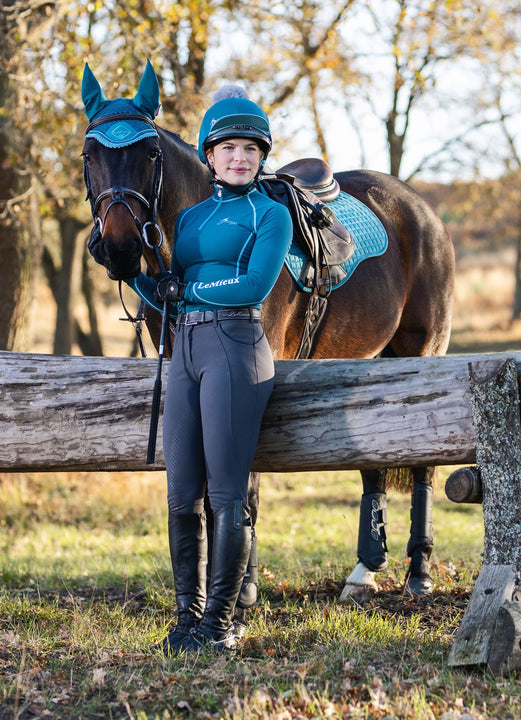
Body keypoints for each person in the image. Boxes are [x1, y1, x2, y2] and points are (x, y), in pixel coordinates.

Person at [128, 87, 292, 653]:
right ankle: (186, 616)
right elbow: (166, 293)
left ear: (261, 156)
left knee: (226, 493)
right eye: (228, 148)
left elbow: (252, 285)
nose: (239, 158)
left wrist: (187, 286)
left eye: (250, 148)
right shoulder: (192, 217)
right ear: (210, 155)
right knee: (180, 493)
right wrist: (131, 274)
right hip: (184, 353)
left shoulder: (271, 214)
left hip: (236, 348)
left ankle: (220, 622)